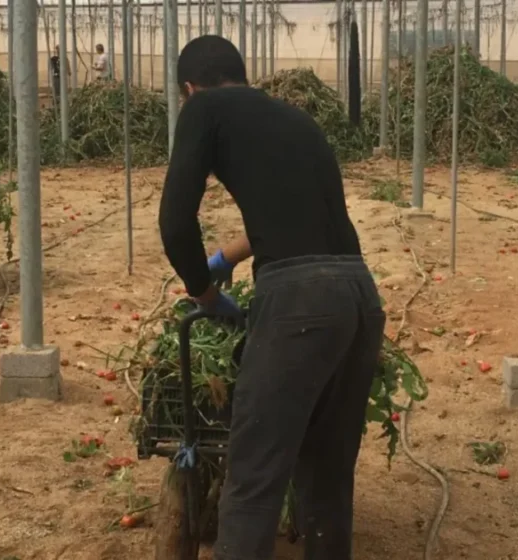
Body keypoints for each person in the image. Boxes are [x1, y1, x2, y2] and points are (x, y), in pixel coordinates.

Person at [158, 35, 386, 560]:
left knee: (254, 477)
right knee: (327, 478)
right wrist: (231, 256)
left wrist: (204, 291)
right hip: (357, 296)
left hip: (300, 305)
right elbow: (305, 216)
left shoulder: (203, 109)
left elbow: (174, 222)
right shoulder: (296, 119)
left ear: (189, 88)